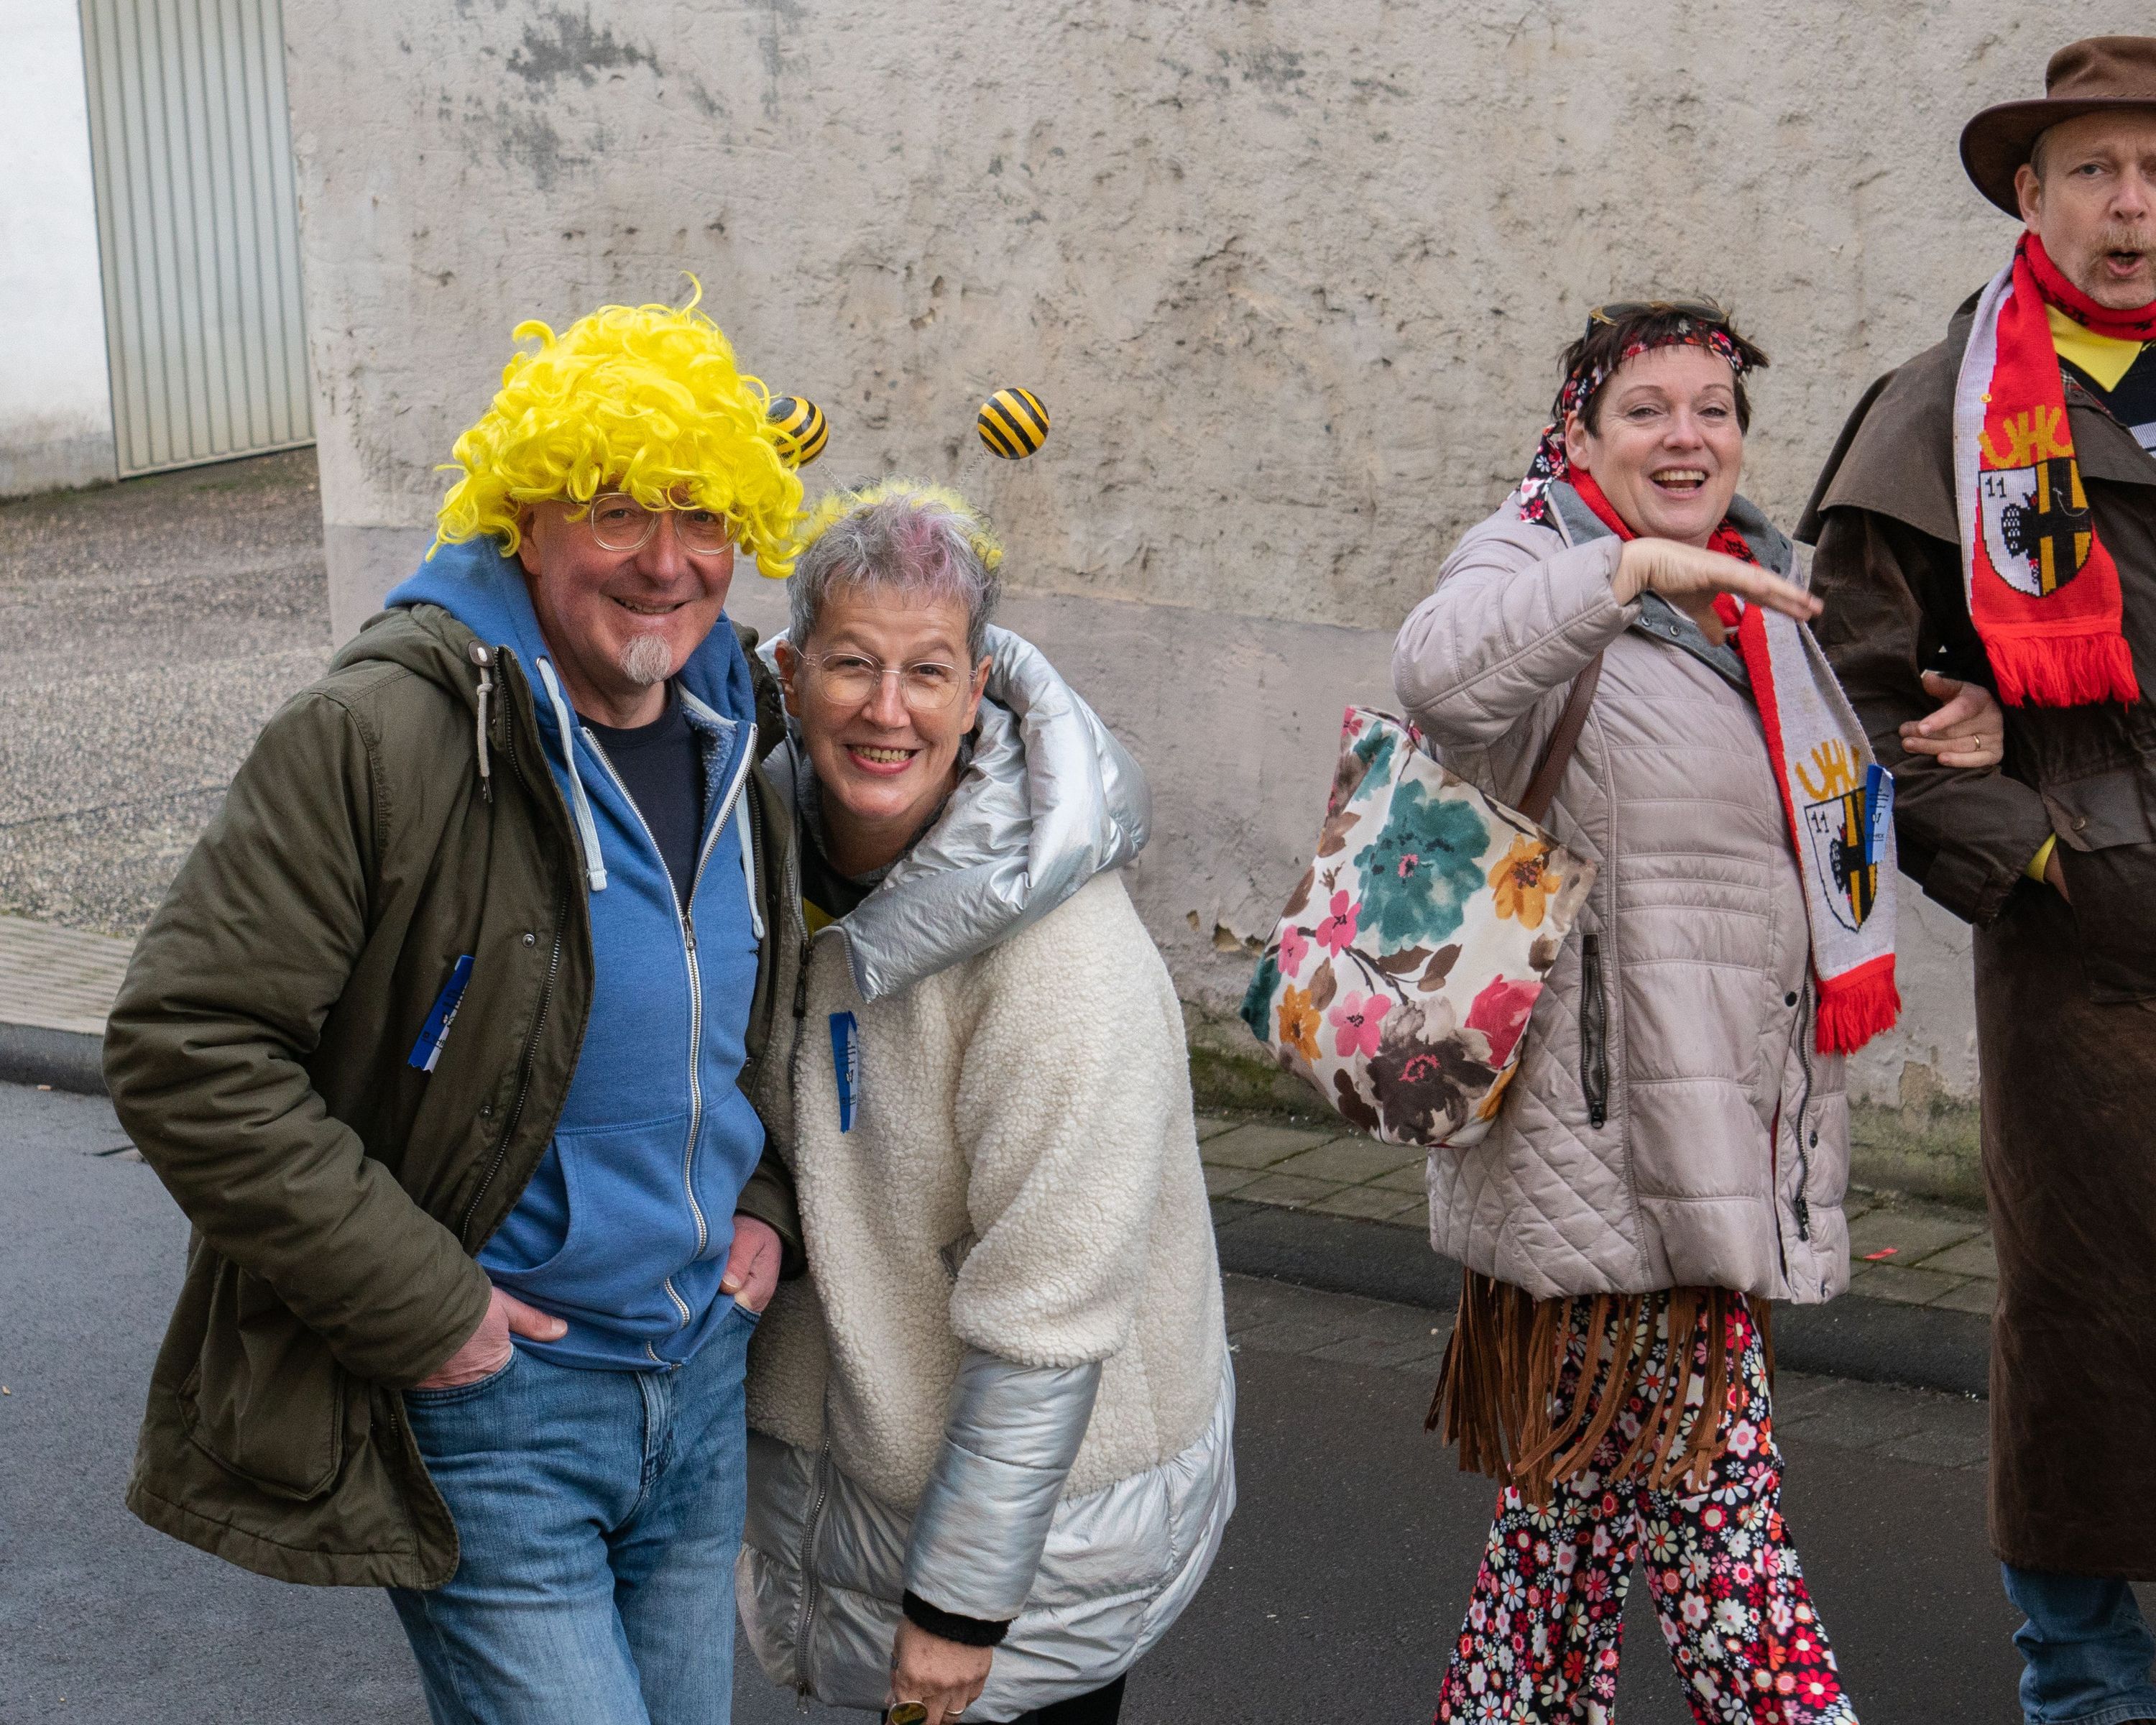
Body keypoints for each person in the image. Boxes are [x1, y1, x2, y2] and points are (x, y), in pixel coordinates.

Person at [103, 294, 808, 1725]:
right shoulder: (378, 734)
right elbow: (187, 1046)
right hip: (504, 1404)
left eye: (703, 516)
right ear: (524, 517)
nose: (668, 564)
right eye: (616, 513)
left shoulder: (740, 719)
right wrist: (429, 1313)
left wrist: (770, 1200)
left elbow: (749, 1016)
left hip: (695, 1377)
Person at [1390, 300, 2006, 1723]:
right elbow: (1439, 668)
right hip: (1614, 1160)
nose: (1688, 435)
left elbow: (1802, 818)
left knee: (1562, 1550)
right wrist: (1617, 572)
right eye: (1647, 409)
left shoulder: (1759, 596)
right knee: (1740, 1587)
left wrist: (1968, 735)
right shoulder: (1539, 555)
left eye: (1713, 408)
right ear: (1581, 435)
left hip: (1721, 1130)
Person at [731, 479, 1235, 1725]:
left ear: (977, 692)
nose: (887, 710)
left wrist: (960, 1608)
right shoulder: (760, 855)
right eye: (852, 663)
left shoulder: (1061, 957)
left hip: (1042, 1536)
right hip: (870, 1482)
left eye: (927, 671)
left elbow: (1047, 1311)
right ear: (791, 673)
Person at [1802, 34, 2156, 1725]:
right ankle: (2084, 1675)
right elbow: (1857, 688)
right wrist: (2020, 845)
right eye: (2093, 167)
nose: (2133, 205)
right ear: (2030, 192)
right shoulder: (1946, 409)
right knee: (2083, 1326)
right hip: (2089, 962)